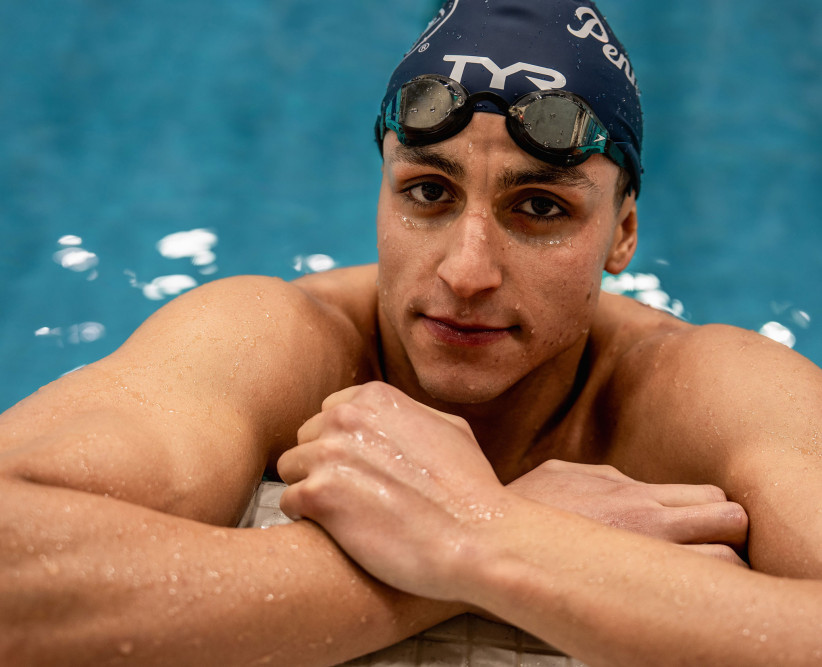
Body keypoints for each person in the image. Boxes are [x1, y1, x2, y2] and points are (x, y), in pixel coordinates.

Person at [2, 0, 821, 665]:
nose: (467, 272)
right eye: (428, 192)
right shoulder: (269, 336)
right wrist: (476, 553)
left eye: (540, 208)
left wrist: (477, 536)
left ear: (622, 235)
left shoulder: (707, 388)